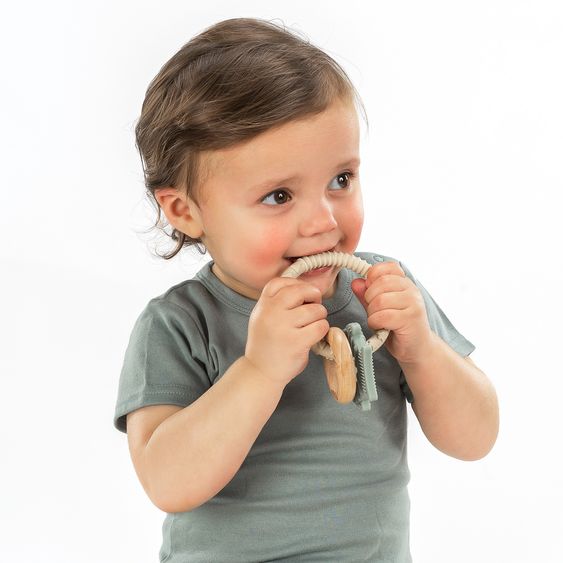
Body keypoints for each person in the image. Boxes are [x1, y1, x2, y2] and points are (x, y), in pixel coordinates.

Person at [113, 17, 499, 562]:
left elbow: (476, 438)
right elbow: (166, 482)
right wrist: (259, 370)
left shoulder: (381, 292)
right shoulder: (179, 323)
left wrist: (424, 352)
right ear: (185, 210)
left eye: (341, 180)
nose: (322, 221)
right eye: (278, 196)